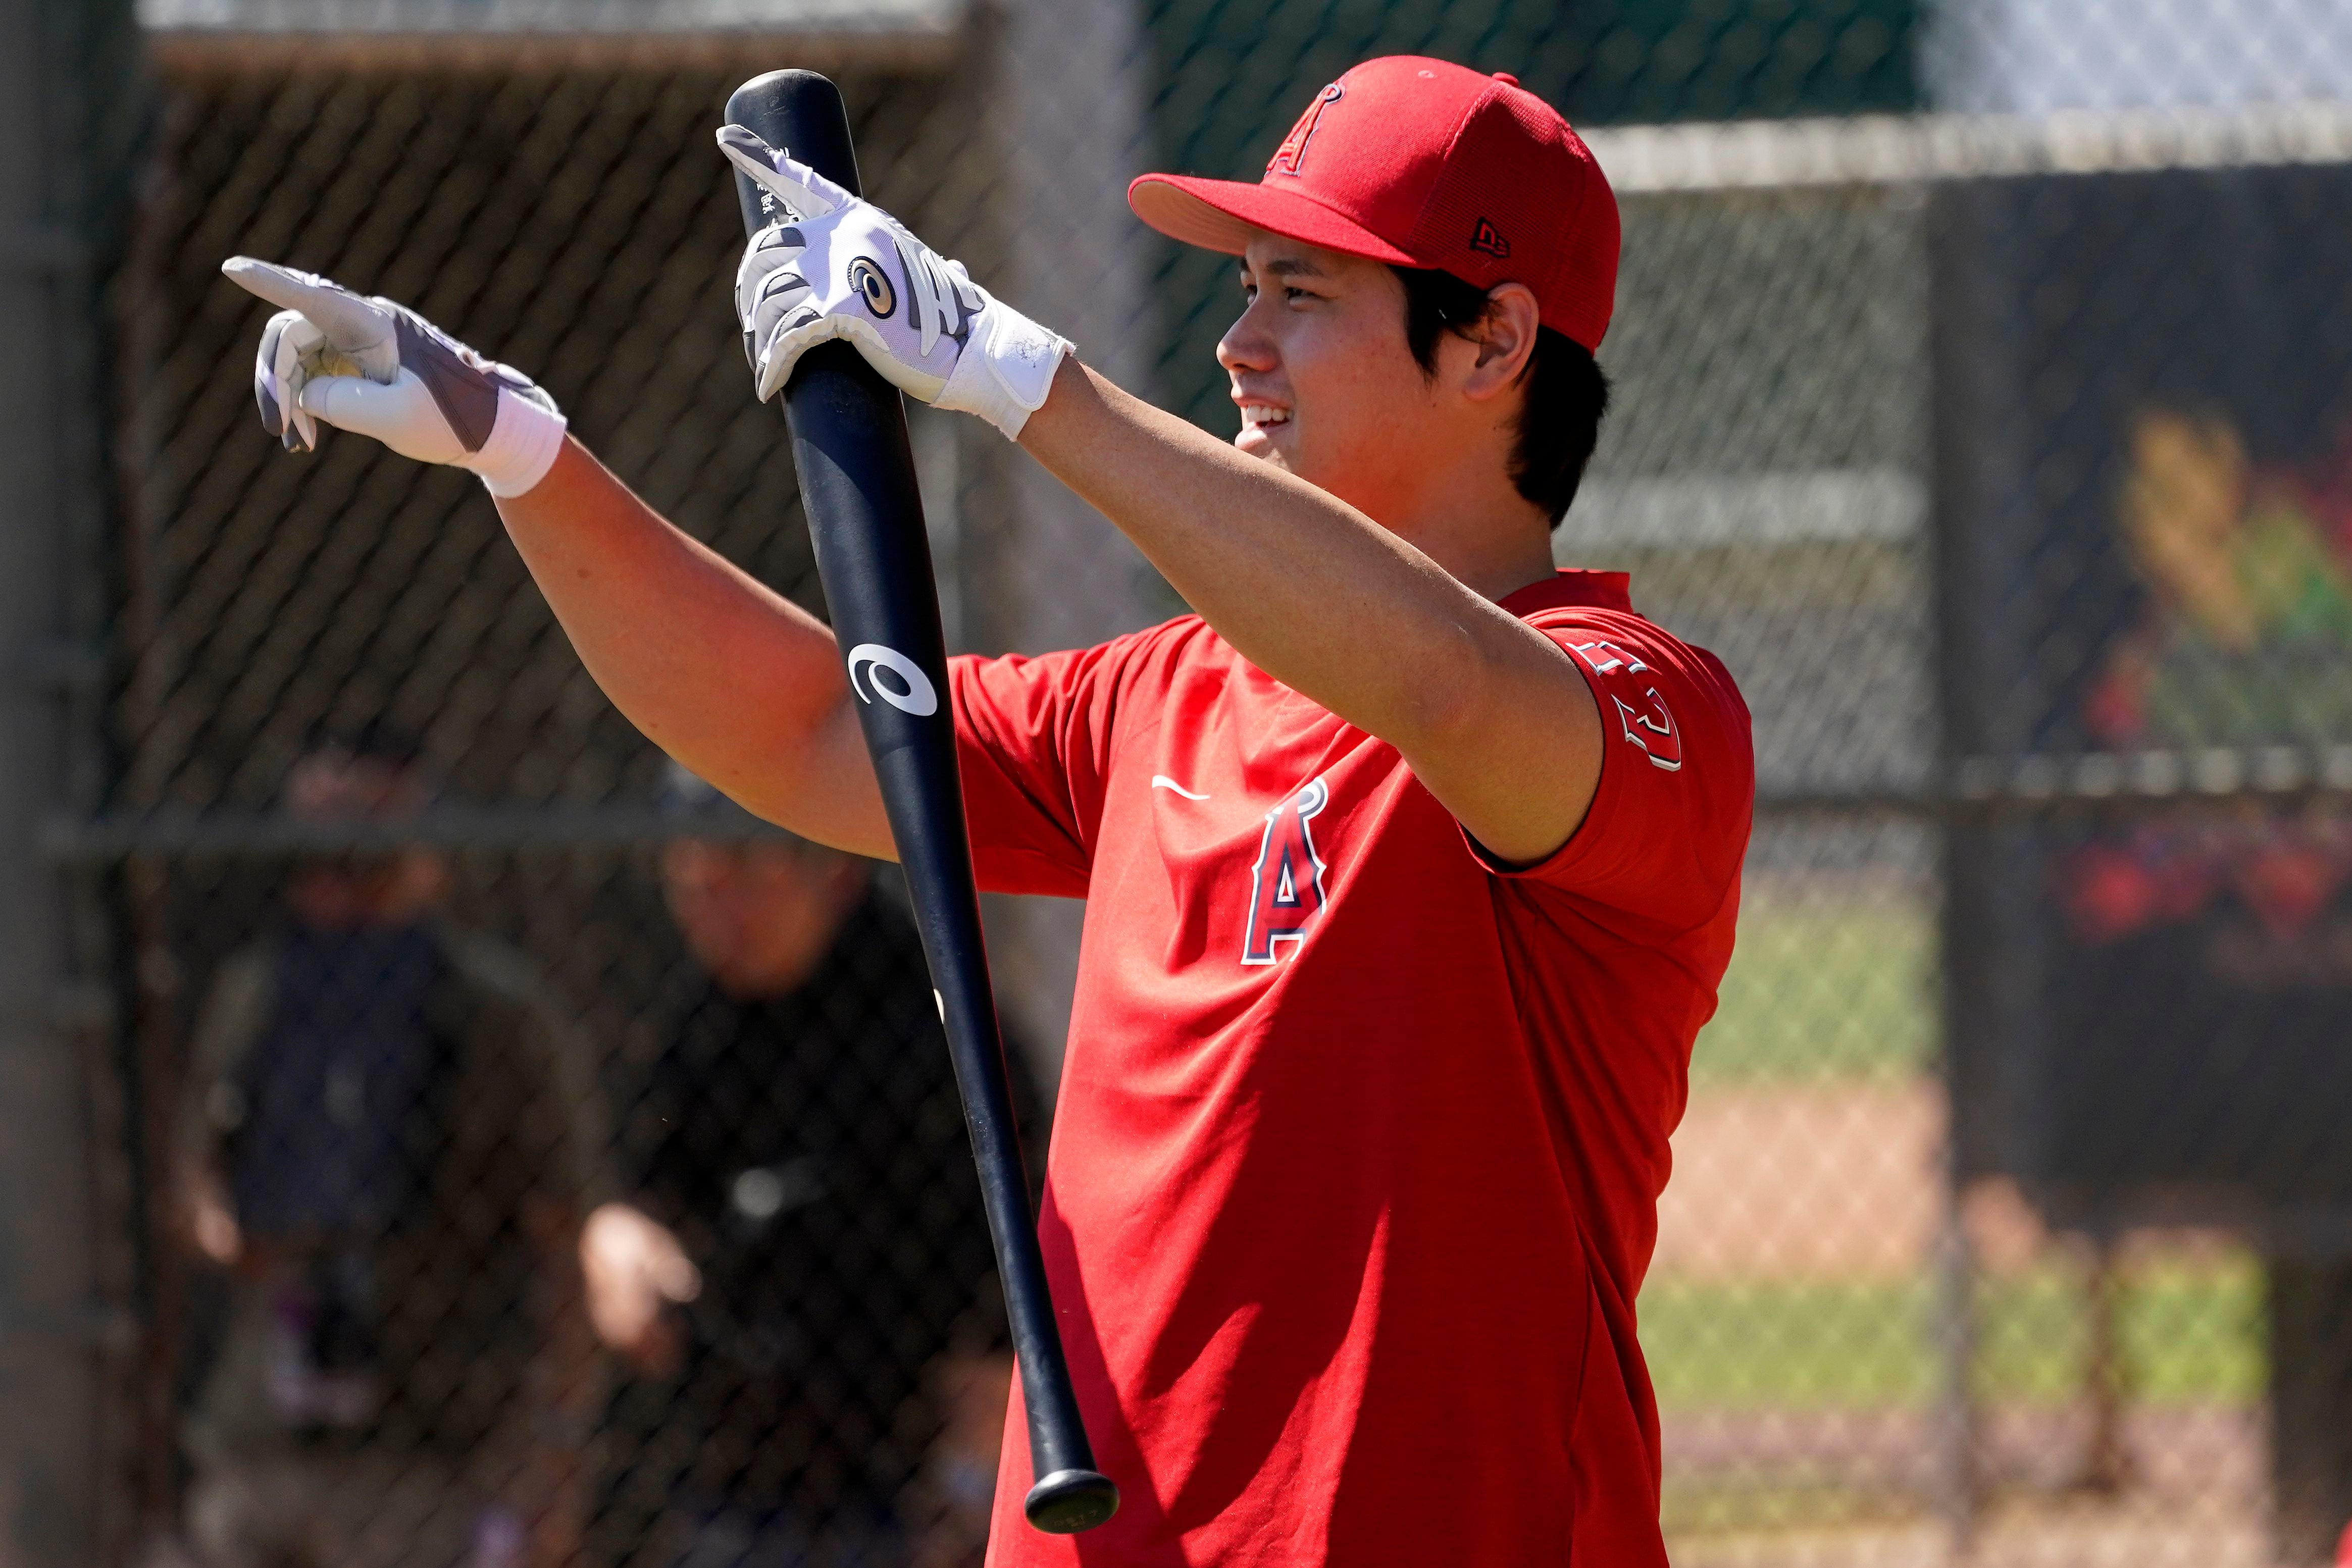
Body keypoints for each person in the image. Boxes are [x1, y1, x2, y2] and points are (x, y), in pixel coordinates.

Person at [221, 54, 1753, 1566]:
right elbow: (815, 725)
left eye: (1301, 292)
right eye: (1244, 289)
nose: (1238, 344)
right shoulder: (1159, 693)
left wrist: (1016, 374)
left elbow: (1449, 693)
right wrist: (519, 449)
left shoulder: (1640, 703)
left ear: (1490, 343)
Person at [582, 768, 1033, 1567]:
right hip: (734, 1450)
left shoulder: (934, 1018)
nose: (718, 909)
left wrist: (977, 1447)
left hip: (908, 1465)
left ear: (836, 868)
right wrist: (621, 1239)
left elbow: (1021, 1239)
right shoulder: (700, 1014)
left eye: (748, 874)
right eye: (695, 878)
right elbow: (638, 1184)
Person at [175, 735, 601, 1568]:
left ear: (429, 855)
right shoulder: (256, 993)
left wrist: (552, 1453)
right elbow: (195, 1190)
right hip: (260, 1440)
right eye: (320, 847)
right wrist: (248, 1221)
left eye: (369, 846)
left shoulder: (493, 1011)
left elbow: (566, 1241)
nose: (341, 875)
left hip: (430, 1455)